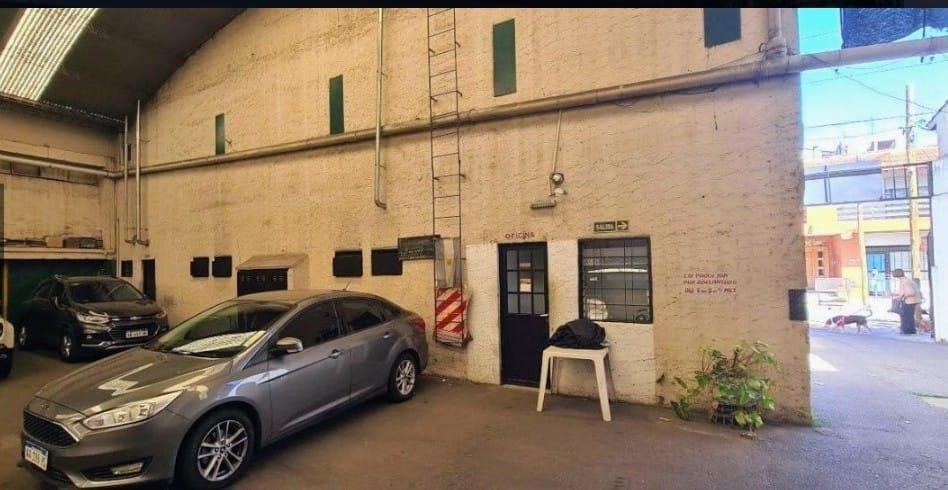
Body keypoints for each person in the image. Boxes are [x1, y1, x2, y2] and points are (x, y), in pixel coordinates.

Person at [892, 269, 921, 335]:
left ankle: (907, 330)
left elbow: (911, 292)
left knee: (906, 316)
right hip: (912, 301)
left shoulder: (905, 281)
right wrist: (896, 294)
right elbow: (904, 291)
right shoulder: (906, 280)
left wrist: (901, 296)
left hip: (909, 301)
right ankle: (910, 330)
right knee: (909, 316)